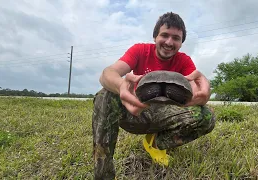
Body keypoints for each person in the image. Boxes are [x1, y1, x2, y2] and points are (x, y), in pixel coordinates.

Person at [92, 12, 216, 180]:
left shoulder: (184, 60)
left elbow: (196, 90)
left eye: (176, 38)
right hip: (137, 112)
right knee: (104, 95)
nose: (169, 42)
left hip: (166, 115)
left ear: (181, 43)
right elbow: (107, 74)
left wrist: (203, 94)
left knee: (207, 116)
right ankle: (104, 175)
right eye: (164, 35)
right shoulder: (140, 51)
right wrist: (121, 86)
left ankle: (156, 143)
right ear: (155, 36)